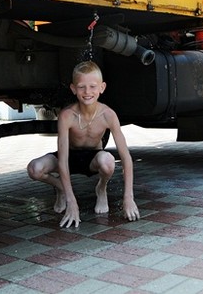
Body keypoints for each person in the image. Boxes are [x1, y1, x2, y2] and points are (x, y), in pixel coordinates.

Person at [27, 60, 139, 228]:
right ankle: (62, 189)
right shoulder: (67, 115)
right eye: (81, 87)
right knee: (34, 169)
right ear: (73, 89)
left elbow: (126, 158)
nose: (87, 92)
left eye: (93, 86)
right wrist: (72, 202)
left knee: (108, 161)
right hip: (70, 157)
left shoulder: (108, 115)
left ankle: (101, 188)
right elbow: (63, 160)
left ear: (102, 88)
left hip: (93, 158)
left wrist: (128, 198)